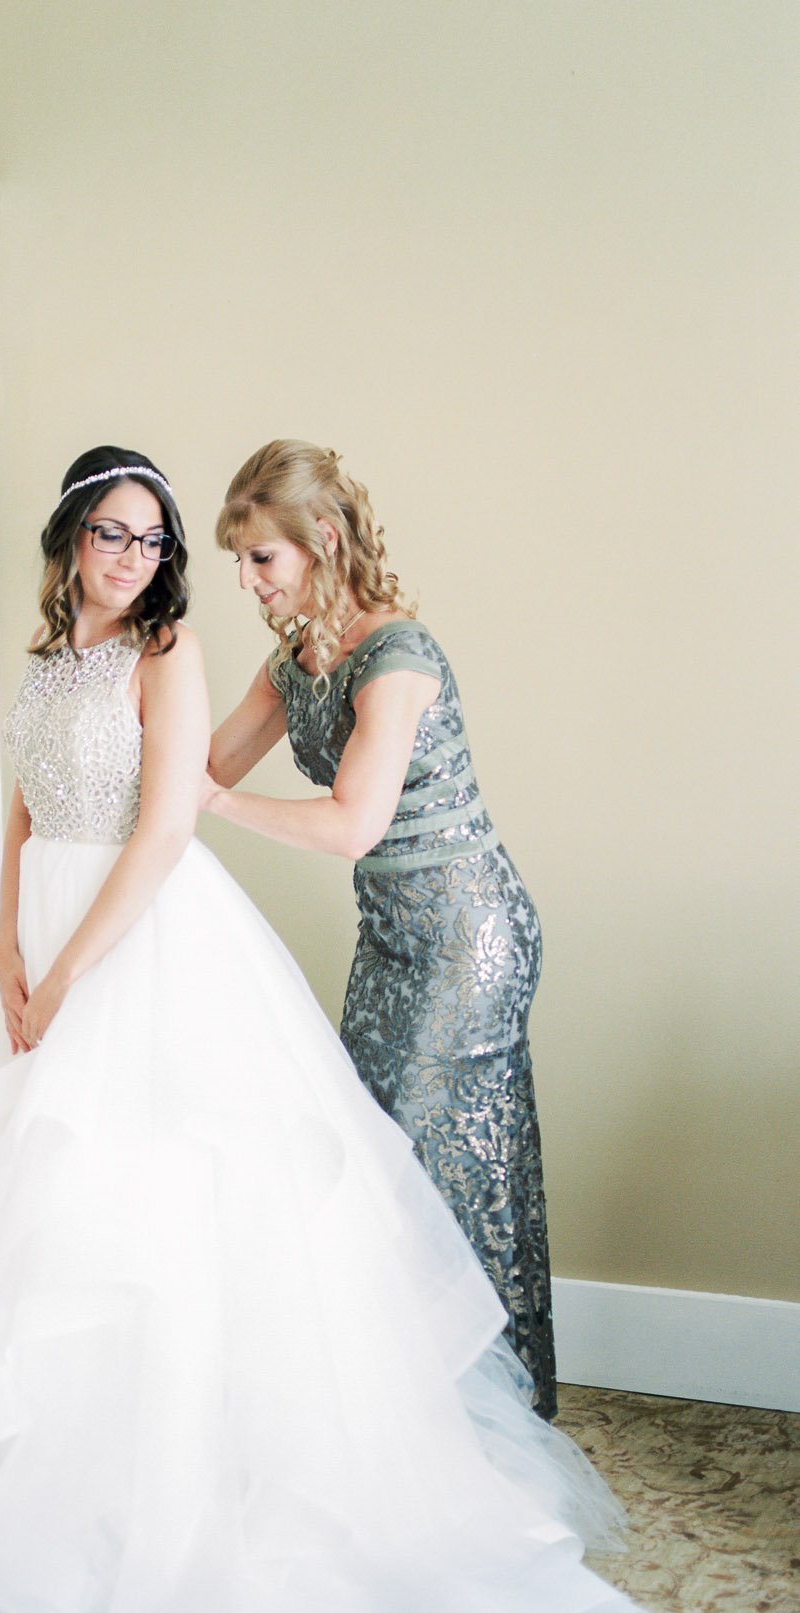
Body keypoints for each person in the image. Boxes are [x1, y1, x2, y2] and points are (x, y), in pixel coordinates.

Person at [0, 445, 646, 1613]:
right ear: (71, 539)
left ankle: (462, 1416)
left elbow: (243, 814)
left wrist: (140, 880)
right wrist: (12, 942)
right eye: (124, 536)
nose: (157, 563)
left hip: (397, 932)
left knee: (374, 1178)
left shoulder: (338, 656)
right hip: (217, 928)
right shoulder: (159, 660)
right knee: (95, 1191)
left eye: (174, 544)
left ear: (318, 545)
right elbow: (71, 795)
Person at [204, 440, 558, 1419]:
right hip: (392, 938)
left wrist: (213, 808)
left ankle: (484, 1414)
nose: (246, 581)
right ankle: (403, 1411)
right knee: (368, 1154)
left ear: (322, 540)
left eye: (261, 558)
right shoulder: (295, 662)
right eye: (238, 560)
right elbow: (205, 764)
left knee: (443, 1167)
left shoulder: (395, 657)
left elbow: (352, 824)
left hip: (470, 940)